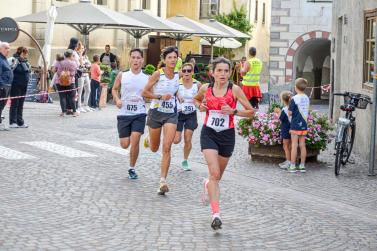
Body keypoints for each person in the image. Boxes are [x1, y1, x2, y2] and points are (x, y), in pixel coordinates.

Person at [193, 57, 254, 230]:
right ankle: (216, 215)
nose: (223, 74)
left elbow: (251, 112)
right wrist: (200, 107)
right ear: (212, 72)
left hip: (227, 136)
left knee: (217, 177)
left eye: (226, 71)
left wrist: (234, 111)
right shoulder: (206, 88)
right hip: (209, 133)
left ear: (230, 73)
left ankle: (207, 184)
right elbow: (196, 100)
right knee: (214, 172)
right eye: (219, 70)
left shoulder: (234, 90)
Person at [142, 46, 180, 195]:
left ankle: (163, 181)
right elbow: (144, 92)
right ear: (164, 60)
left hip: (171, 113)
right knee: (154, 148)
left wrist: (179, 96)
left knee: (167, 147)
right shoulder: (158, 74)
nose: (172, 60)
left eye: (174, 57)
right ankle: (150, 137)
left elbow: (176, 89)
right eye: (169, 57)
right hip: (156, 112)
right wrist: (159, 97)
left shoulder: (178, 75)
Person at [112, 48, 149, 179]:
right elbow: (115, 89)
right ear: (129, 59)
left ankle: (131, 168)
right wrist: (117, 99)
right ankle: (130, 161)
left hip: (139, 113)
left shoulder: (147, 77)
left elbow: (151, 94)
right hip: (124, 114)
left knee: (135, 140)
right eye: (133, 57)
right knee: (125, 144)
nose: (135, 60)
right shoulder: (122, 75)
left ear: (142, 60)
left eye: (138, 58)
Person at [174, 63, 201, 171]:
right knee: (176, 140)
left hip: (191, 114)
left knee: (188, 138)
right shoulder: (176, 83)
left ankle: (185, 160)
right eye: (184, 71)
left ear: (192, 72)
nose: (186, 73)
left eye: (189, 71)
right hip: (178, 114)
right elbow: (169, 92)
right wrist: (177, 94)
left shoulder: (198, 84)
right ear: (181, 71)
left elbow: (202, 98)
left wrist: (199, 104)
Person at [288, 78, 310, 173]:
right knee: (302, 145)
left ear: (296, 87)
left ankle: (292, 166)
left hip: (295, 124)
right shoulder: (306, 97)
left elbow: (289, 113)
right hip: (304, 124)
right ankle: (302, 165)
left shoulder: (294, 99)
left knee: (294, 145)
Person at [9, 47, 31, 128]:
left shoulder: (25, 62)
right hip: (15, 85)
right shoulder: (14, 60)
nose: (27, 55)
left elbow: (28, 72)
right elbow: (10, 71)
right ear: (22, 53)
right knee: (15, 103)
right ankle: (13, 122)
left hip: (23, 86)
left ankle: (20, 122)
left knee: (21, 104)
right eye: (26, 53)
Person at [55, 49, 79, 117]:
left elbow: (54, 70)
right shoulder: (73, 63)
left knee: (62, 97)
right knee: (72, 97)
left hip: (60, 81)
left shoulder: (59, 61)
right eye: (73, 55)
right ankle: (74, 112)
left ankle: (63, 112)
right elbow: (75, 72)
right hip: (70, 82)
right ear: (71, 55)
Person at [277, 91, 293, 169]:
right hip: (293, 129)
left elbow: (281, 119)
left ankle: (289, 162)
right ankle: (289, 160)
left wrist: (278, 112)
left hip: (286, 129)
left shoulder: (284, 109)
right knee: (290, 146)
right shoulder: (294, 108)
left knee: (286, 146)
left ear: (283, 100)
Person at [0, 42, 13, 131]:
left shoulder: (5, 59)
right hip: (2, 86)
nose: (8, 50)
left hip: (7, 85)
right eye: (6, 48)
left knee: (2, 106)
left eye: (9, 48)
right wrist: (1, 86)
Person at [77, 47, 92, 113]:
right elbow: (80, 65)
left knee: (88, 90)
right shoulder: (77, 56)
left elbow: (89, 64)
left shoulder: (85, 56)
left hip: (86, 75)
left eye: (83, 48)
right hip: (81, 76)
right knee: (80, 91)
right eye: (81, 48)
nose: (83, 49)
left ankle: (85, 105)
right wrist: (85, 65)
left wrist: (86, 65)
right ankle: (79, 106)